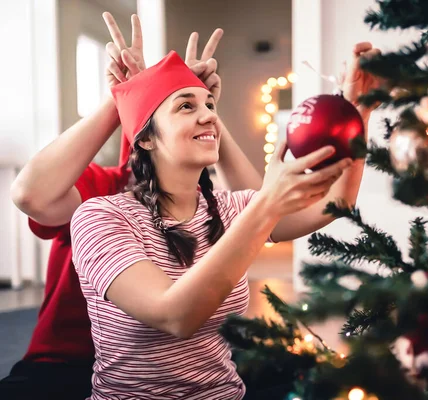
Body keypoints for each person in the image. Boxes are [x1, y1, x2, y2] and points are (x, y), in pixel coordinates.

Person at [69, 33, 378, 397]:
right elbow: (175, 316)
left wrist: (358, 110)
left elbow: (335, 203)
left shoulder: (230, 208)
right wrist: (267, 204)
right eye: (186, 106)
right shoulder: (100, 217)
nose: (209, 117)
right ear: (146, 139)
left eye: (211, 105)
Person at [1, 12, 261, 400]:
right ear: (145, 138)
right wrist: (122, 96)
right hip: (67, 360)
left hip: (179, 365)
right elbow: (29, 195)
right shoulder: (98, 193)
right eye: (181, 106)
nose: (201, 112)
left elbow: (261, 210)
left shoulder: (207, 201)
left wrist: (204, 116)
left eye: (202, 105)